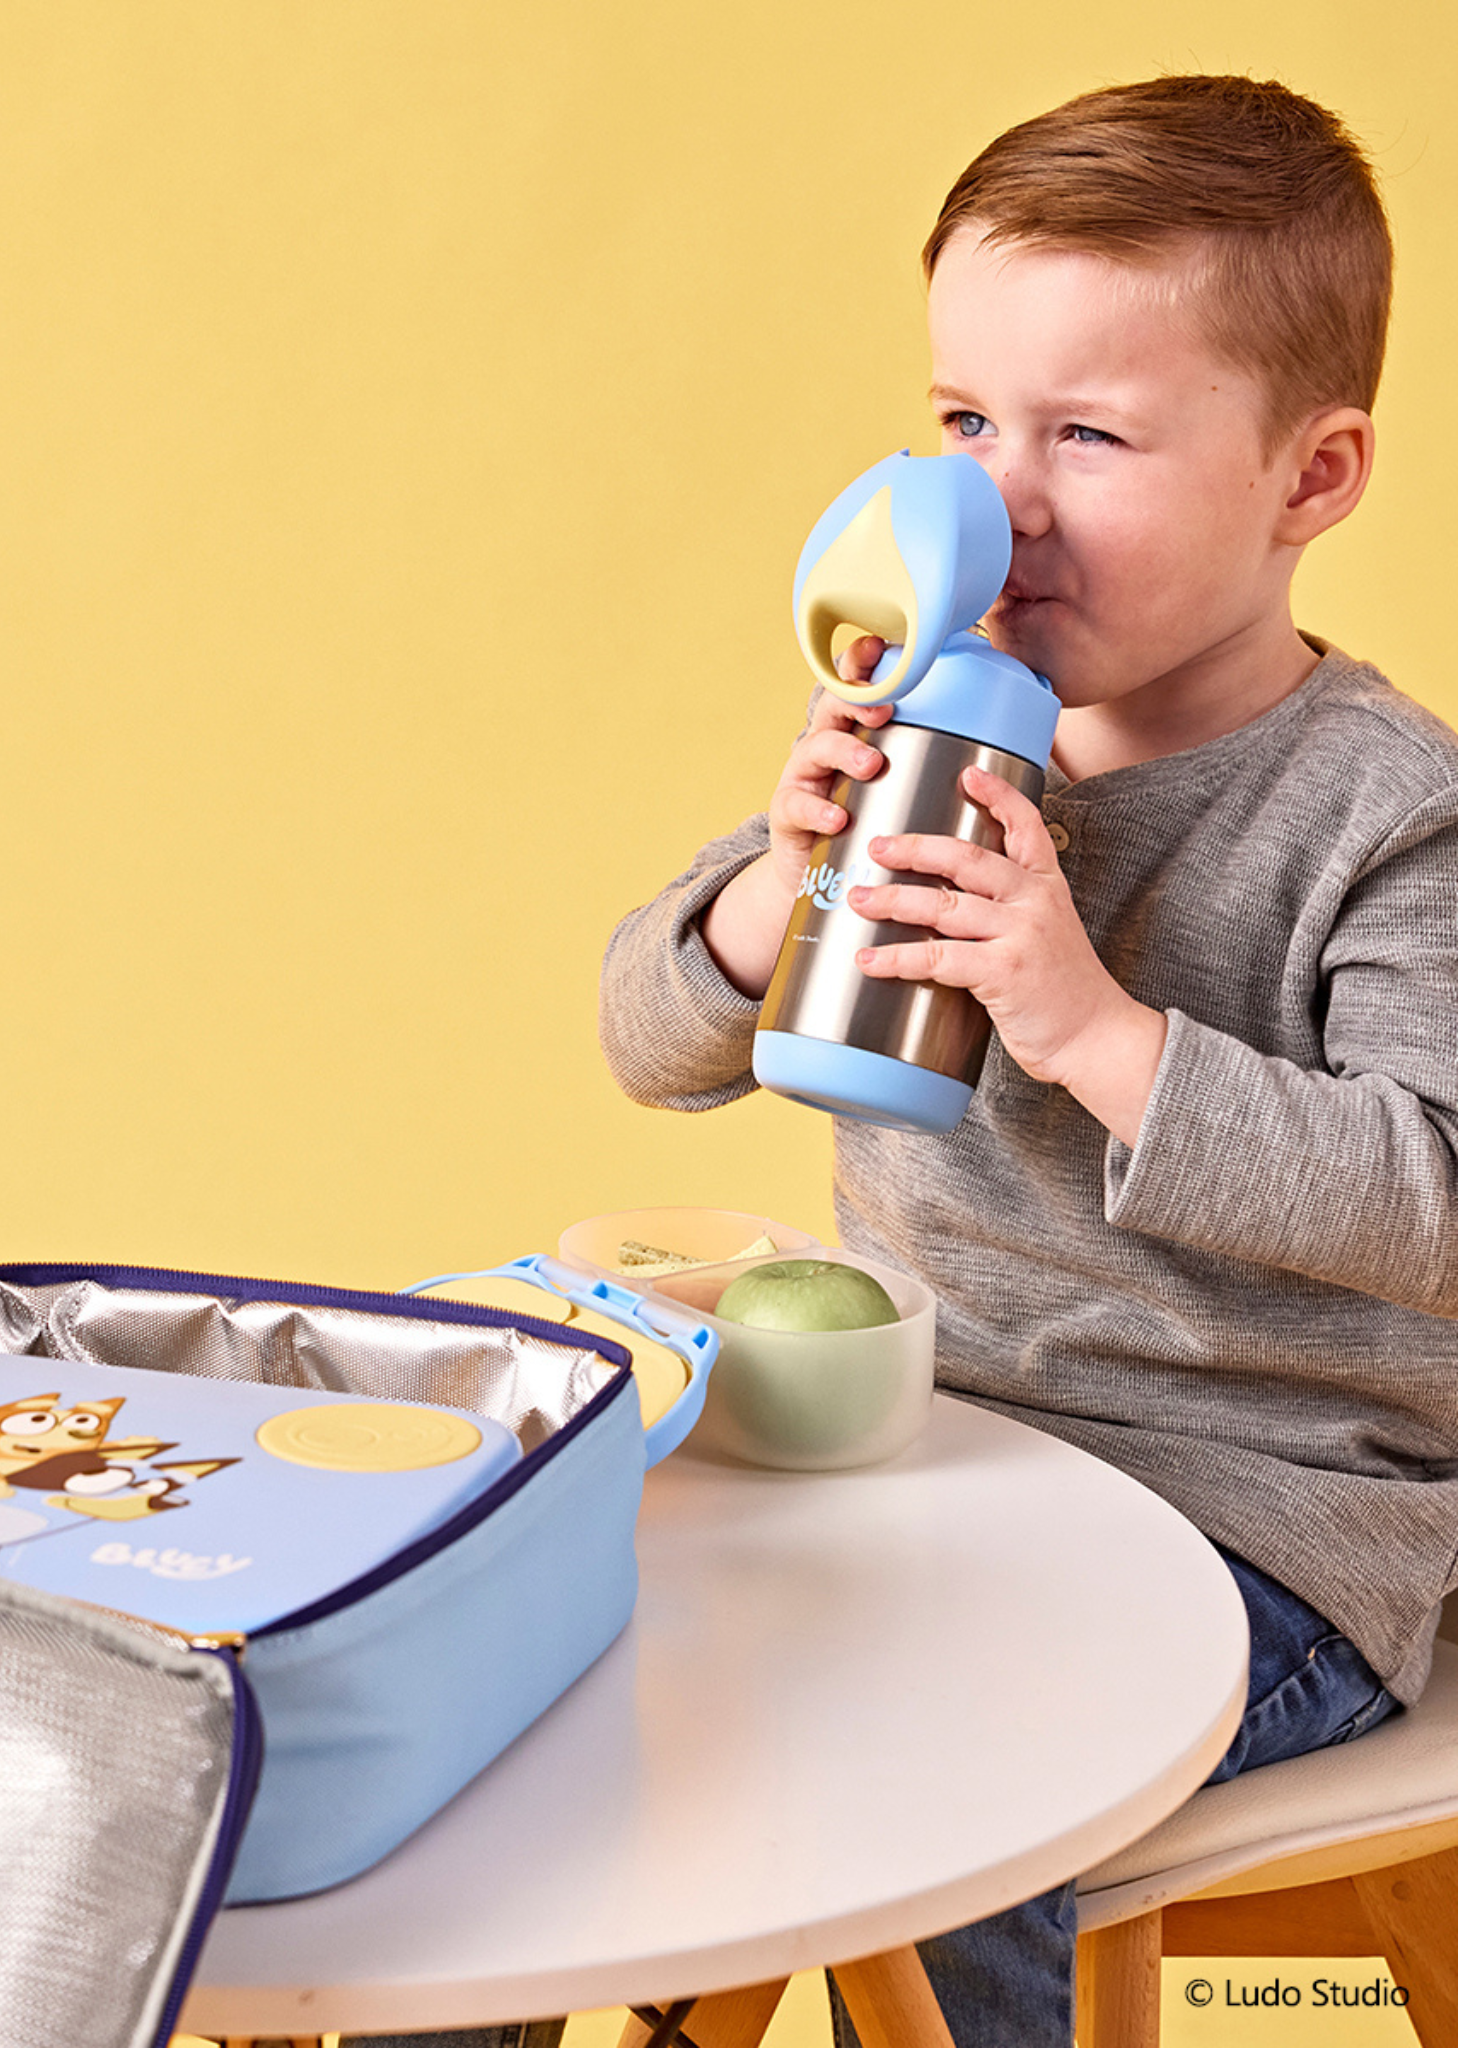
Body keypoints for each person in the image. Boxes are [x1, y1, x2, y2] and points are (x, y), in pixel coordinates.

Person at [585, 71, 1458, 2048]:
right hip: (915, 1453)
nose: (1004, 502)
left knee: (962, 1778)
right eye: (966, 423)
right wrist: (776, 888)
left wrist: (1094, 1031)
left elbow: (1437, 1200)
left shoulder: (1387, 817)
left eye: (1090, 433)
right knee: (537, 1647)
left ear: (1311, 477)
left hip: (1261, 1518)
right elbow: (647, 1042)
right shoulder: (933, 730)